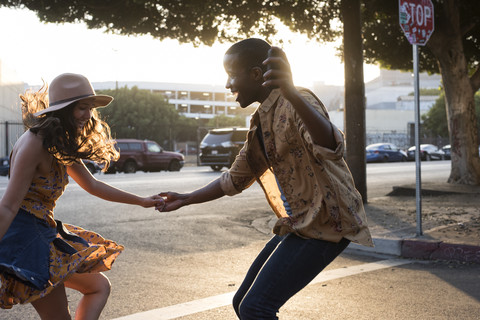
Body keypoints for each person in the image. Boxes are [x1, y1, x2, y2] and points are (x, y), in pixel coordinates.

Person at [158, 38, 374, 319]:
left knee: (256, 307)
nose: (227, 85)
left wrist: (292, 92)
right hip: (302, 223)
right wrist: (185, 199)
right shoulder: (262, 121)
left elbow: (331, 146)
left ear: (256, 75)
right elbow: (234, 179)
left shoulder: (299, 100)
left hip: (329, 223)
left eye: (231, 75)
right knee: (242, 304)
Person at [0, 73, 164, 319]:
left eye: (90, 108)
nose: (88, 114)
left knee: (99, 286)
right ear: (64, 109)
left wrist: (141, 201)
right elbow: (8, 207)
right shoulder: (35, 143)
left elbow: (93, 184)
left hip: (40, 232)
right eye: (82, 107)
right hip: (25, 240)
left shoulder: (56, 142)